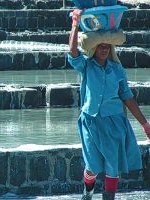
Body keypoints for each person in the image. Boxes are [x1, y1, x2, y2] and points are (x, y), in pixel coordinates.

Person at [68, 9, 150, 200]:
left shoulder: (117, 69)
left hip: (115, 122)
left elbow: (127, 97)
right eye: (100, 46)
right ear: (94, 48)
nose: (104, 49)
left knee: (113, 166)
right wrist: (75, 23)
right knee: (93, 166)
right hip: (91, 122)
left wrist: (145, 124)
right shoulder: (86, 66)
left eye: (107, 46)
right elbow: (73, 53)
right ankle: (87, 194)